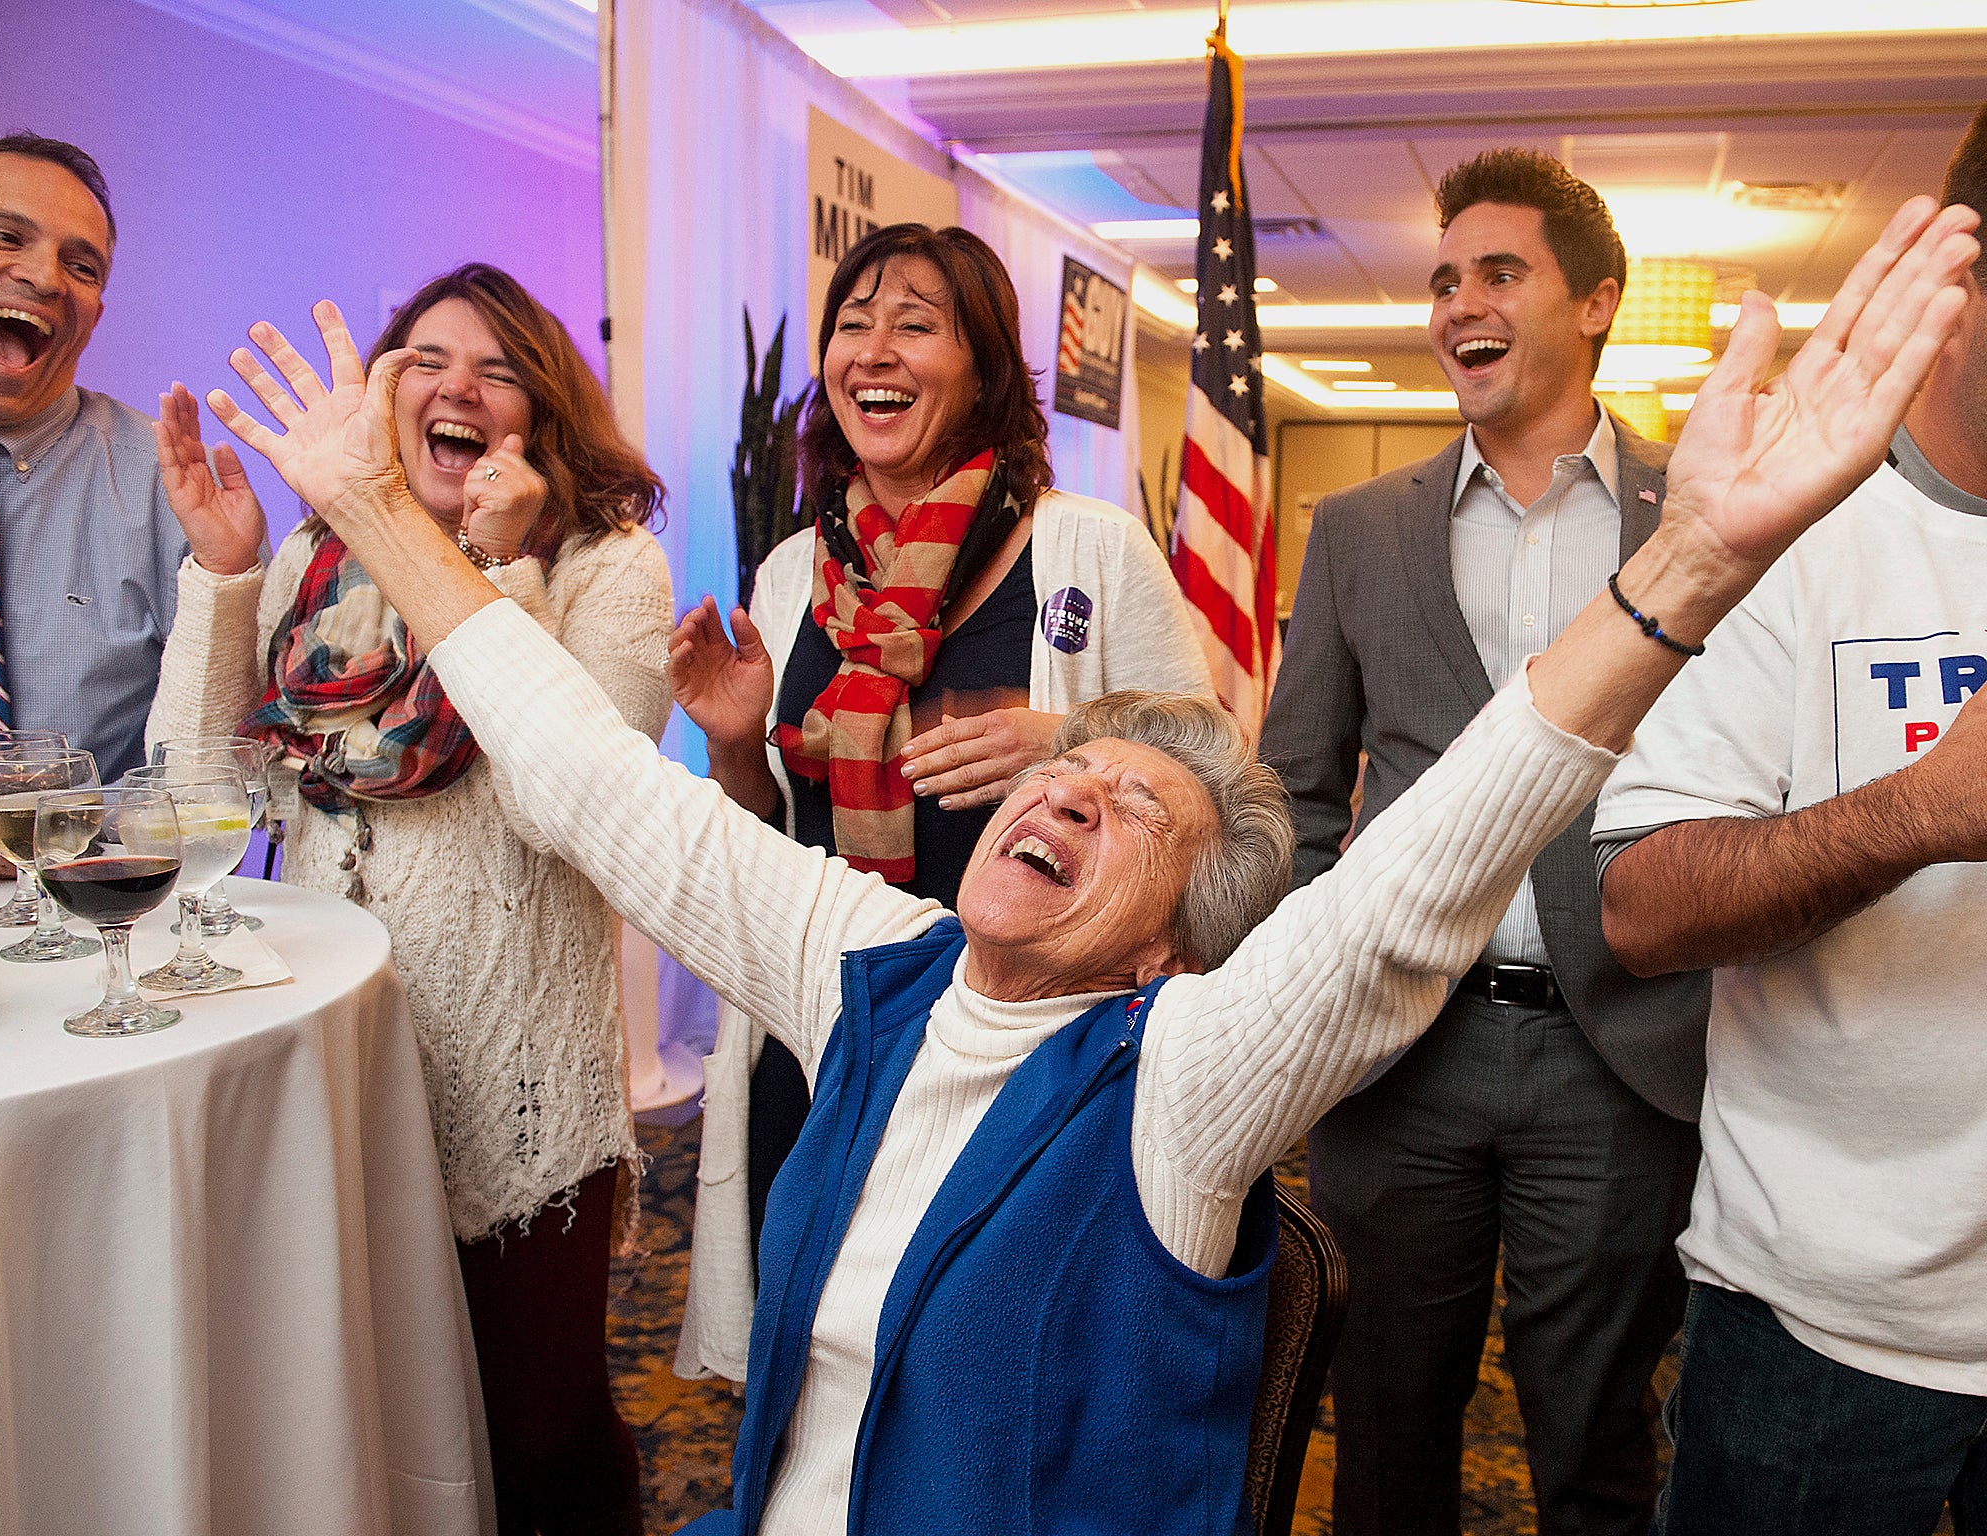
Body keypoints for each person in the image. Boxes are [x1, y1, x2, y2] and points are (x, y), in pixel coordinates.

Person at [199, 198, 1975, 1536]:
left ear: (1170, 951)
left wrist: (1683, 575)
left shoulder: (1179, 1079)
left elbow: (1418, 868)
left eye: (1138, 809)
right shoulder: (870, 963)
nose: (1074, 798)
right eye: (1081, 767)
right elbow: (595, 784)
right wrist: (373, 517)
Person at [148, 265, 672, 1536]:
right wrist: (222, 576)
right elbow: (193, 795)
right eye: (428, 361)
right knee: (370, 1421)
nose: (458, 387)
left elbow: (570, 802)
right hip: (330, 1064)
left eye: (498, 369)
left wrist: (495, 566)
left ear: (539, 416)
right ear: (383, 403)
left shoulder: (609, 567)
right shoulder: (308, 566)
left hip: (514, 1087)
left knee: (535, 1431)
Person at [666, 222, 1212, 1381]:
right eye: (852, 323)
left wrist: (1069, 740)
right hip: (827, 1023)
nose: (876, 349)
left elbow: (1210, 766)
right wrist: (731, 747)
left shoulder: (1087, 550)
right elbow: (766, 842)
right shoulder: (791, 574)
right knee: (809, 1334)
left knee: (979, 1360)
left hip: (1026, 1043)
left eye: (916, 323)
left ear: (983, 368)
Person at [1257, 149, 1708, 1534]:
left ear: (1597, 304)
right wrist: (1325, 974)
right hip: (1398, 1062)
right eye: (1443, 279)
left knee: (1593, 1445)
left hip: (1619, 1054)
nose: (1460, 303)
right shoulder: (1358, 532)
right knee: (1387, 1435)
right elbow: (1296, 790)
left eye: (1499, 272)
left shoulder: (1700, 522)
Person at [1596, 111, 1987, 1536]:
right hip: (1825, 1321)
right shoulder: (1797, 535)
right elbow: (1640, 903)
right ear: (1960, 281)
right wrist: (1924, 810)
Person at [0, 132, 188, 880]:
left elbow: (236, 758)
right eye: (5, 236)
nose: (46, 278)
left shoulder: (165, 483)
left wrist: (60, 831)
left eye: (82, 267)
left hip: (95, 929)